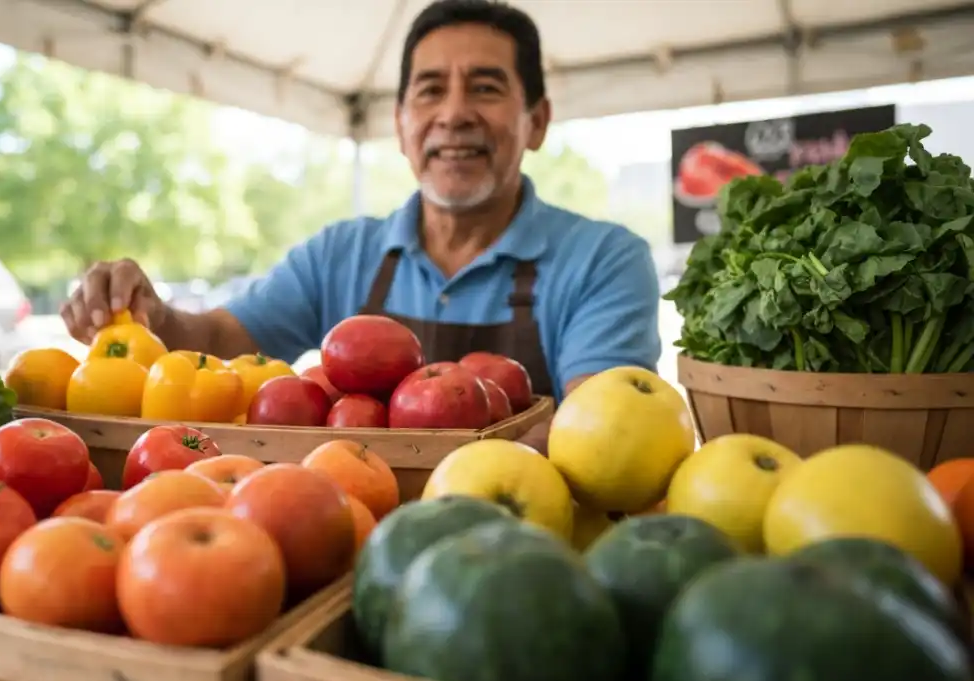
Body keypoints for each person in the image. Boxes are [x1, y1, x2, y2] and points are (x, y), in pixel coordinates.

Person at [61, 0, 661, 408]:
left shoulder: (604, 261)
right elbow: (219, 341)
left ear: (537, 121)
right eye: (430, 91)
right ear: (401, 126)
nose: (453, 113)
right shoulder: (339, 254)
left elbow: (602, 432)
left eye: (485, 87)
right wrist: (150, 314)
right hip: (349, 536)